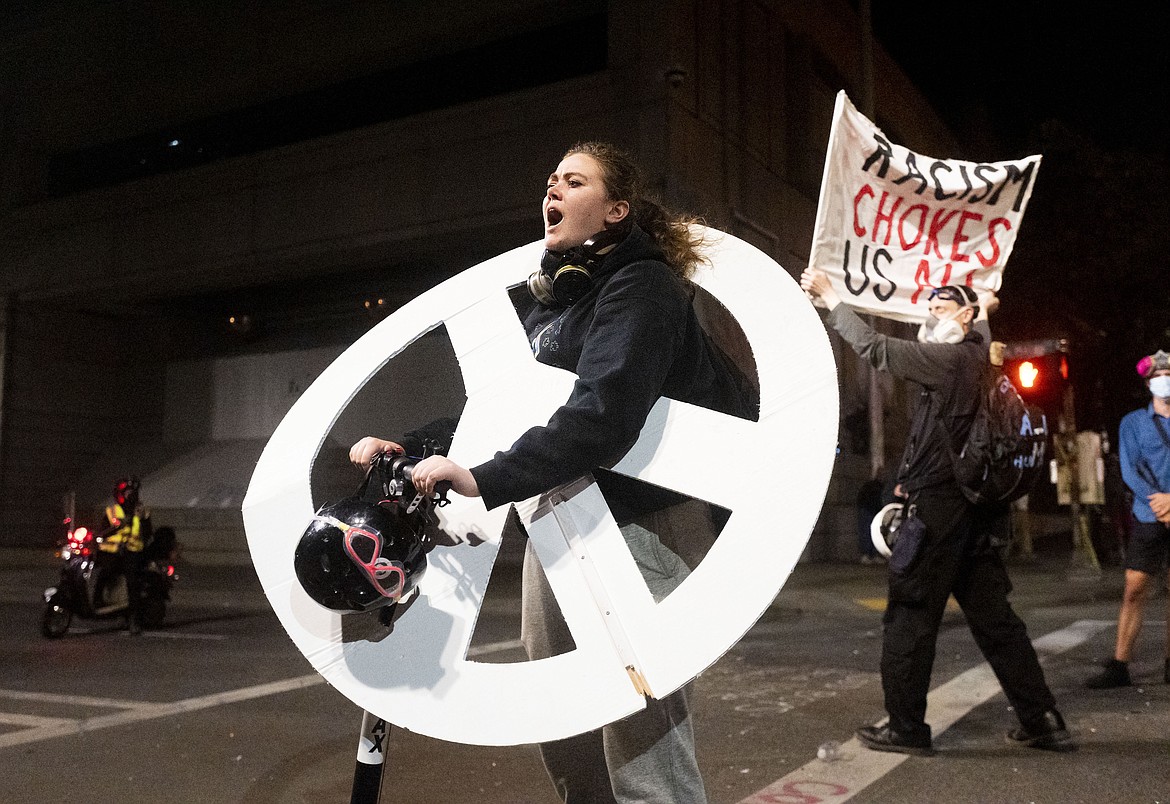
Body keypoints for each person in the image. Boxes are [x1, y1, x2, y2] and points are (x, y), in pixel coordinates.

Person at [350, 141, 753, 803]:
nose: (553, 192)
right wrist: (414, 445)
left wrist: (485, 478)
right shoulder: (555, 304)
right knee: (562, 719)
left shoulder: (642, 286)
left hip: (640, 522)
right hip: (557, 516)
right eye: (550, 182)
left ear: (616, 209)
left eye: (574, 180)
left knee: (640, 732)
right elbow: (506, 411)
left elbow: (604, 415)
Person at [799, 269, 1072, 755]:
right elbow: (976, 337)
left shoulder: (947, 360)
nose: (930, 319)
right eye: (929, 310)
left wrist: (832, 299)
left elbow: (877, 349)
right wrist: (986, 311)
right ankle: (1043, 718)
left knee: (910, 614)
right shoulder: (977, 356)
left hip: (939, 510)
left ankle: (905, 727)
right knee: (995, 621)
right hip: (974, 513)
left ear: (963, 317)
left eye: (941, 310)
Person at [1086, 349, 1170, 688]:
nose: (1164, 380)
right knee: (1134, 589)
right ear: (1149, 383)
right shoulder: (1133, 422)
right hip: (1149, 514)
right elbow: (1130, 469)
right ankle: (1120, 664)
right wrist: (1162, 506)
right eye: (1158, 376)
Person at [96, 476, 152, 634]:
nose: (131, 495)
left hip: (133, 552)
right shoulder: (112, 510)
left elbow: (147, 534)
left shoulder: (142, 510)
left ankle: (133, 619)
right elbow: (102, 531)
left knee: (132, 581)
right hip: (113, 552)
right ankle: (98, 600)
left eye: (133, 492)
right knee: (103, 571)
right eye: (128, 492)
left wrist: (141, 520)